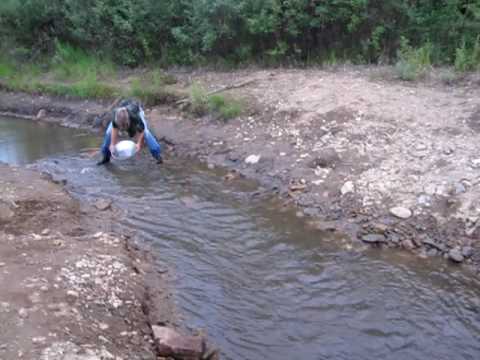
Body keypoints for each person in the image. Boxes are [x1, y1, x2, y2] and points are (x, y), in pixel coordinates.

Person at [97, 99, 163, 165]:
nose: (121, 129)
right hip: (123, 111)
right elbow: (114, 129)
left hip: (137, 111)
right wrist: (112, 144)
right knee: (108, 132)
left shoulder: (135, 117)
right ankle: (106, 157)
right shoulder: (115, 116)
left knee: (147, 133)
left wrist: (139, 143)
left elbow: (142, 130)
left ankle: (157, 155)